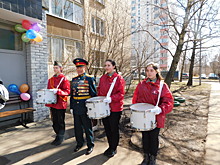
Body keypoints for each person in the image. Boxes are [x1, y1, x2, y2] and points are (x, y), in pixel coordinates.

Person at [132, 62, 173, 165]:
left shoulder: (162, 85)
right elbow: (135, 100)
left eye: (151, 70)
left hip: (156, 117)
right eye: (147, 71)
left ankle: (153, 158)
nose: (149, 73)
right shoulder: (141, 84)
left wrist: (160, 109)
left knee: (154, 138)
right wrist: (136, 112)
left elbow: (169, 101)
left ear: (156, 71)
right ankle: (146, 157)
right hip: (143, 117)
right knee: (145, 138)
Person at [97, 59, 125, 158]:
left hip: (115, 108)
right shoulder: (103, 78)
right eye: (105, 65)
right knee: (107, 128)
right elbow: (100, 91)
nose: (107, 67)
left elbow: (121, 94)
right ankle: (110, 146)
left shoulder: (119, 78)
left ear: (113, 66)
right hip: (104, 107)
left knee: (114, 128)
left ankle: (114, 147)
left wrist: (111, 99)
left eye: (109, 65)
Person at [70, 58, 97, 155]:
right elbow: (72, 95)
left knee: (87, 127)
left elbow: (93, 94)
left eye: (81, 67)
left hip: (86, 107)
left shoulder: (90, 79)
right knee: (77, 128)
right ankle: (79, 143)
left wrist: (93, 108)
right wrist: (72, 107)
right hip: (76, 107)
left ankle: (90, 145)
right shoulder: (74, 80)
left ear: (85, 67)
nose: (79, 69)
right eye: (77, 67)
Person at [46, 61, 70, 146]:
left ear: (61, 68)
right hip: (53, 103)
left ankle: (61, 136)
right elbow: (48, 91)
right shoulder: (51, 80)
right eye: (54, 68)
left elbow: (67, 91)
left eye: (57, 68)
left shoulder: (64, 79)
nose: (55, 69)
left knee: (60, 121)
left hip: (60, 103)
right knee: (54, 121)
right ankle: (57, 134)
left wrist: (58, 91)